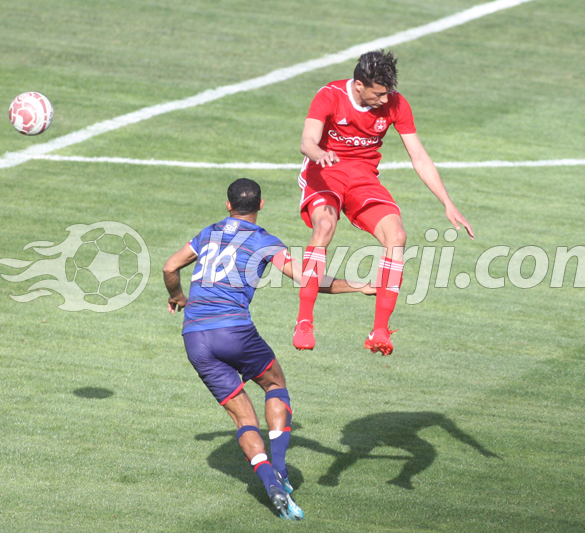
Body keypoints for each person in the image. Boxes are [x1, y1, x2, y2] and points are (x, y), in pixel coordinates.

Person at [163, 178, 373, 520]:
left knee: (243, 418)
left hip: (195, 338)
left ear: (228, 205)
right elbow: (307, 279)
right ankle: (281, 471)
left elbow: (170, 267)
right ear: (261, 205)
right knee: (274, 383)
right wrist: (359, 286)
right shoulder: (264, 241)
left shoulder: (208, 233)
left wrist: (177, 296)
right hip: (233, 330)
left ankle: (268, 483)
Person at [293, 49, 474, 356]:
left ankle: (379, 330)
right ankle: (304, 322)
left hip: (363, 178)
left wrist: (447, 202)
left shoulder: (396, 103)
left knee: (397, 236)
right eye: (378, 93)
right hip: (325, 172)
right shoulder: (330, 95)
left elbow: (419, 156)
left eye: (387, 92)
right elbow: (307, 141)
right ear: (359, 85)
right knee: (324, 227)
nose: (384, 99)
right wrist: (319, 153)